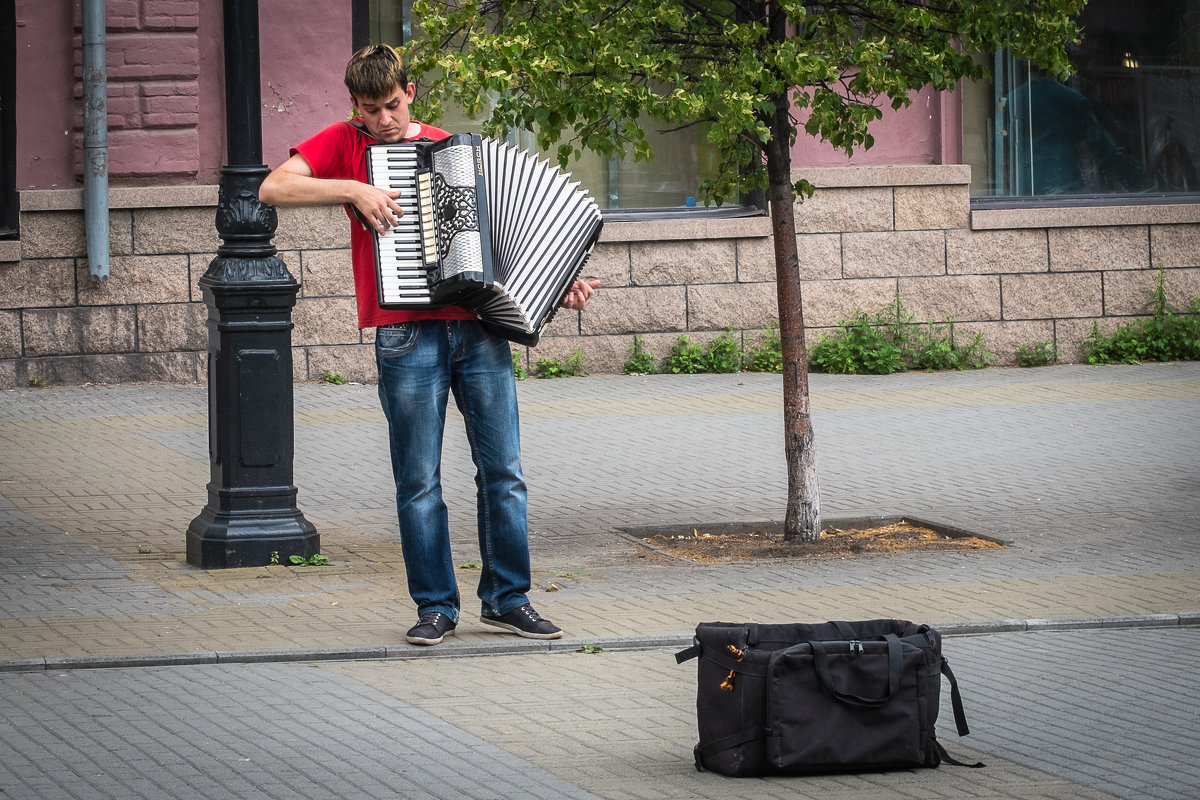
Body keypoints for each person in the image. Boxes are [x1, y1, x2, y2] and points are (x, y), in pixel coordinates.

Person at [260, 44, 599, 646]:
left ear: (410, 92)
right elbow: (272, 189)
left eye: (392, 105)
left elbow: (502, 239)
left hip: (476, 330)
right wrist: (353, 191)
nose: (384, 120)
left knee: (504, 471)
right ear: (354, 109)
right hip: (404, 332)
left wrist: (558, 280)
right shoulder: (346, 145)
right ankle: (436, 607)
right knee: (418, 479)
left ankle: (507, 599)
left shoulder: (451, 150)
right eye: (370, 110)